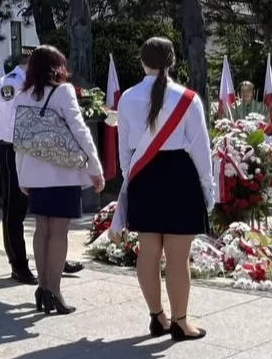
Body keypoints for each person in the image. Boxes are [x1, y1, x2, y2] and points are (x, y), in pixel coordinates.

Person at [118, 37, 214, 341]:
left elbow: (124, 150)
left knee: (148, 252)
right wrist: (208, 188)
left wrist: (130, 179)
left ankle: (158, 317)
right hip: (178, 176)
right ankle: (181, 322)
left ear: (141, 61)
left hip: (143, 175)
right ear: (172, 62)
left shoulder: (127, 98)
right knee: (177, 256)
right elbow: (201, 149)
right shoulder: (187, 98)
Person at [14, 45, 104, 315]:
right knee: (59, 231)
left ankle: (43, 288)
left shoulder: (23, 95)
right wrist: (95, 166)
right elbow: (80, 130)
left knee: (42, 229)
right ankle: (54, 290)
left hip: (34, 171)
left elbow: (19, 138)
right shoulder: (63, 91)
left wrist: (21, 174)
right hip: (62, 172)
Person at [0, 54, 36, 283]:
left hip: (32, 149)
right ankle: (18, 264)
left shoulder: (32, 82)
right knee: (15, 208)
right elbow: (14, 119)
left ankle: (52, 258)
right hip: (13, 149)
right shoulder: (9, 84)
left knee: (45, 207)